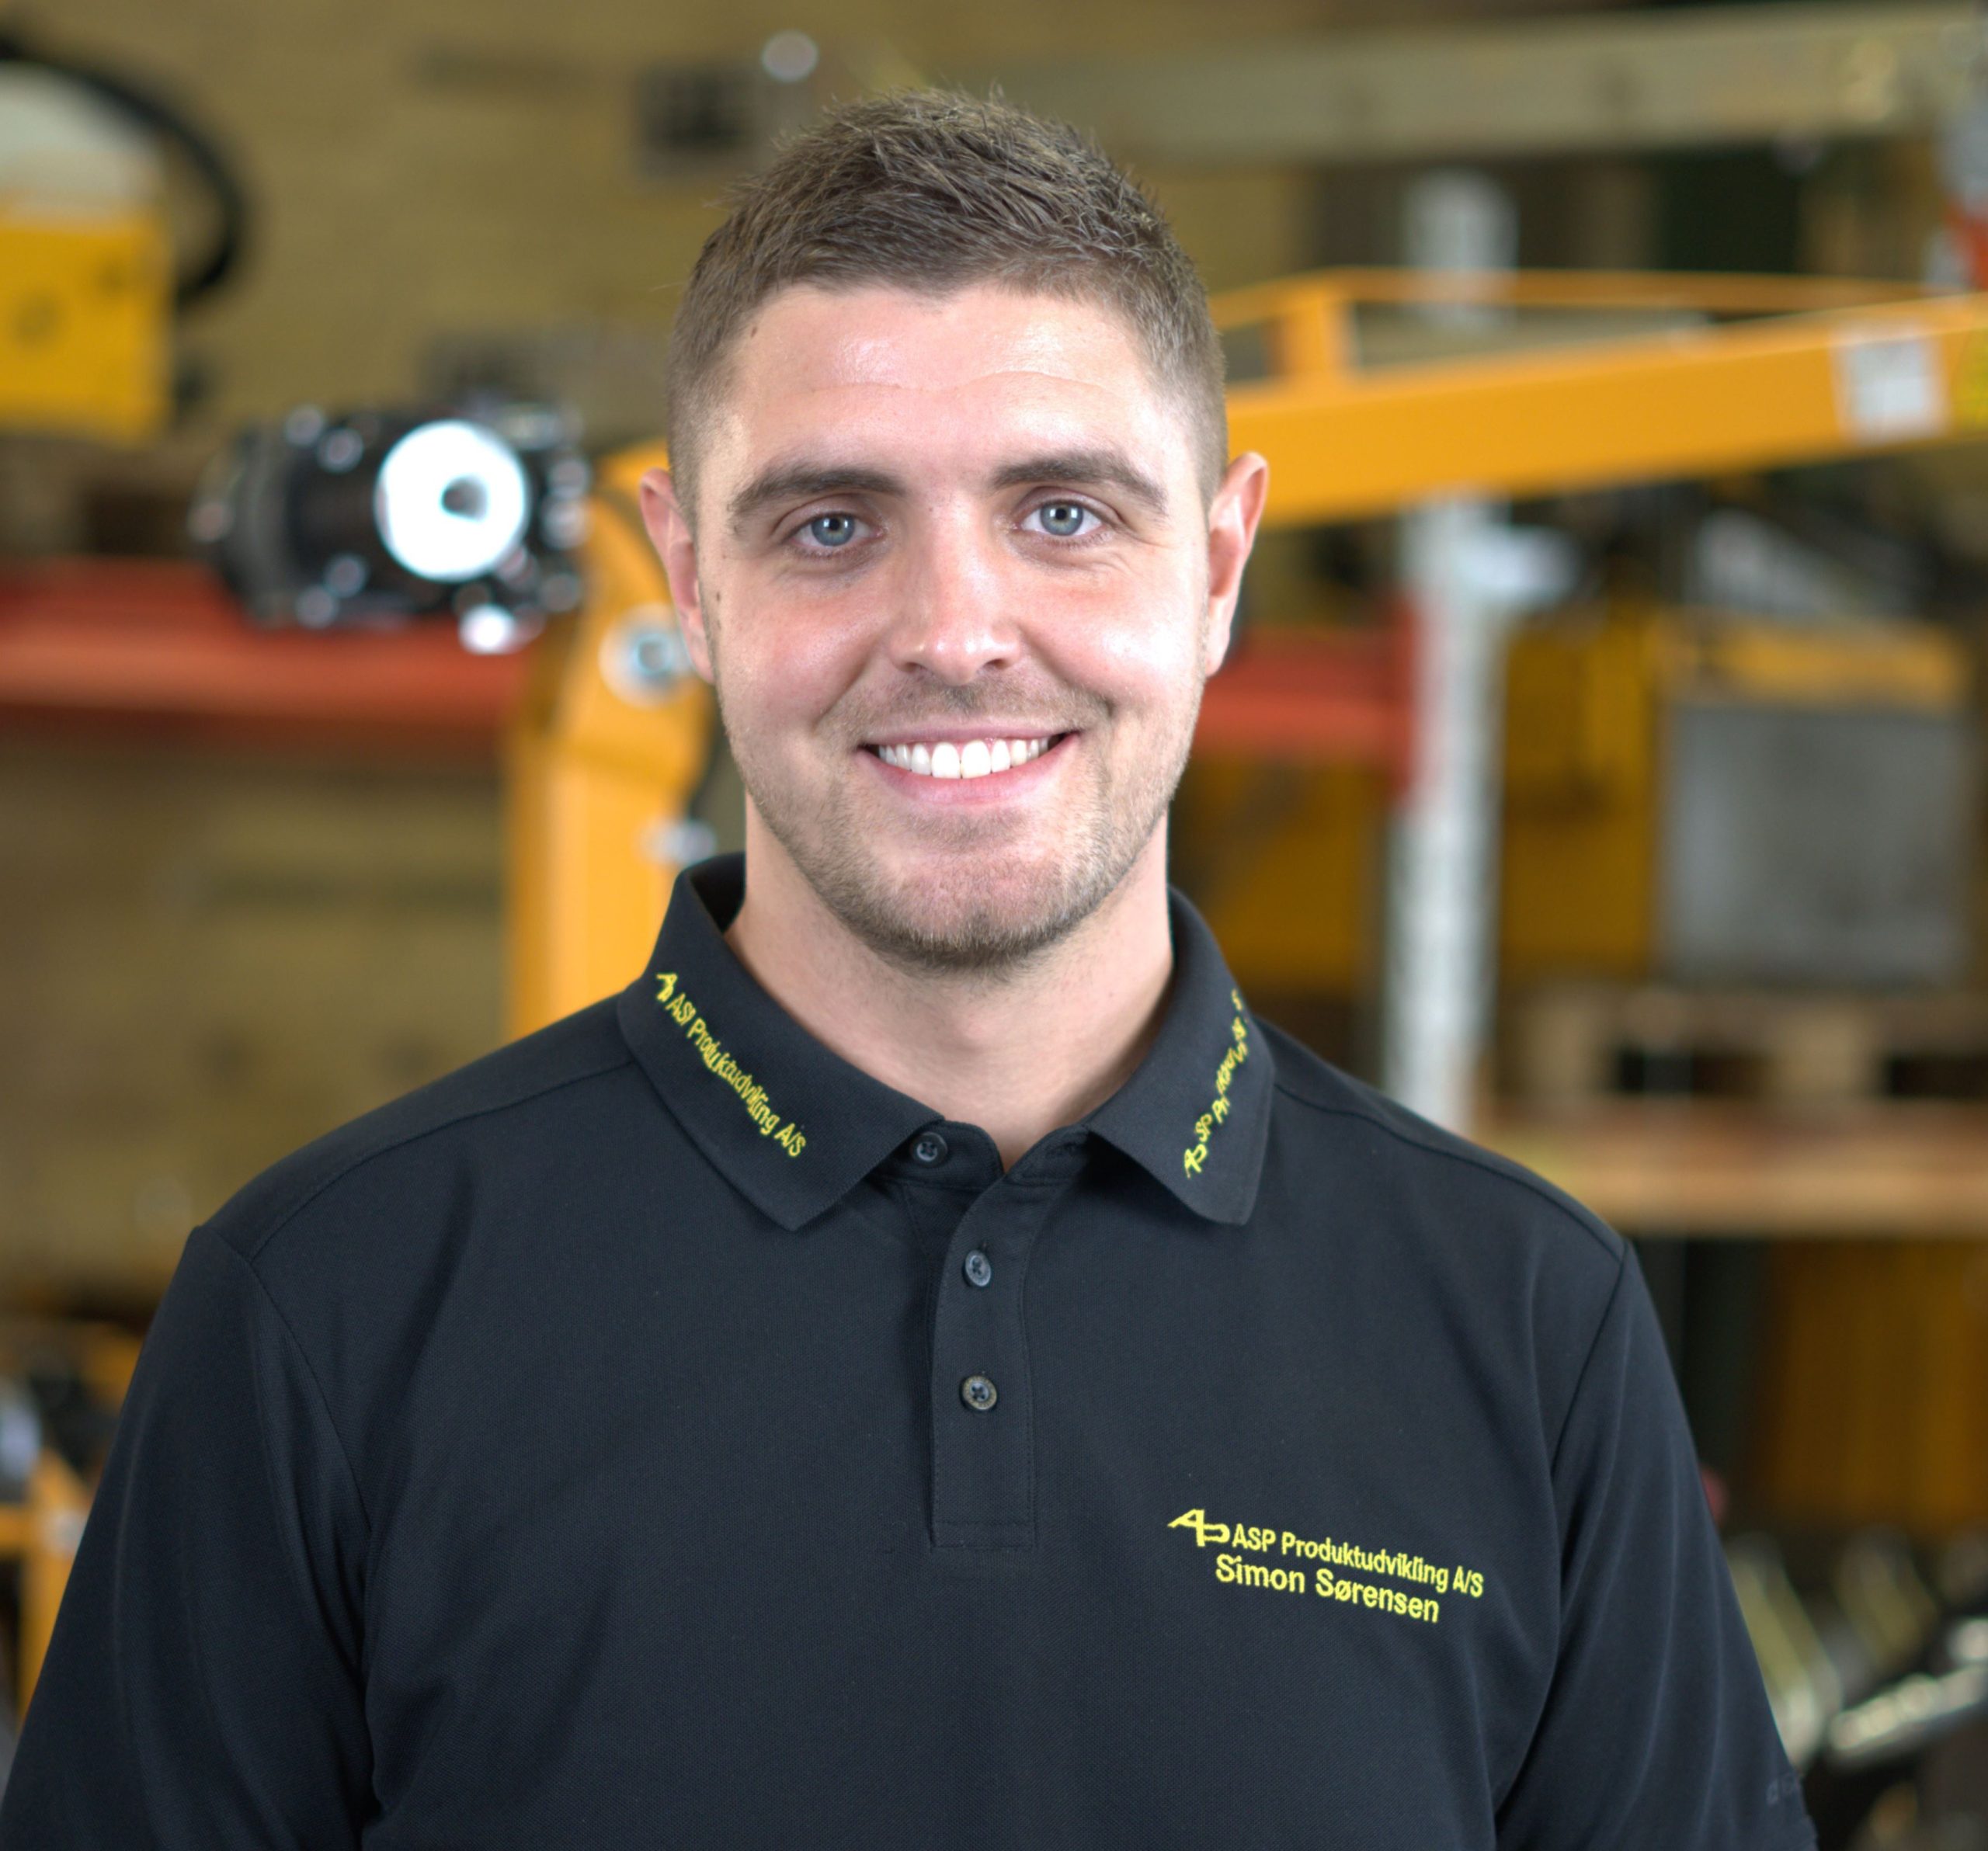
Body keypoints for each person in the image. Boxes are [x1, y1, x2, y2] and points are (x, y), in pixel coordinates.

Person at [3, 91, 1812, 1850]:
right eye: (830, 525)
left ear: (1217, 565)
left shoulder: (1524, 1322)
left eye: (1062, 514)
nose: (953, 633)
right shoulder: (327, 1309)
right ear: (688, 579)